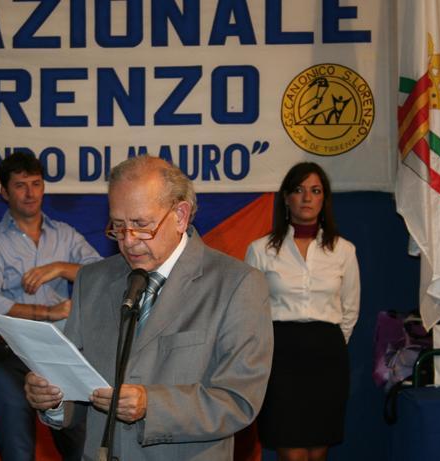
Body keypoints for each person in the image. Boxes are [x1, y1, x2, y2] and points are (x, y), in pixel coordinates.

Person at [24, 155, 273, 460]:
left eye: (141, 225)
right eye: (118, 226)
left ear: (180, 215)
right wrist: (53, 400)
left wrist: (151, 406)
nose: (128, 241)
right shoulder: (92, 280)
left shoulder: (237, 285)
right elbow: (76, 388)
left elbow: (238, 401)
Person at [0, 152, 102, 461]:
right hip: (8, 355)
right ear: (4, 192)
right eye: (20, 185)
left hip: (57, 352)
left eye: (36, 183)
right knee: (17, 452)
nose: (30, 193)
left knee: (81, 449)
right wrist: (47, 313)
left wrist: (60, 267)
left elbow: (101, 274)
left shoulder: (65, 234)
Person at [245, 162, 360, 461]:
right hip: (280, 356)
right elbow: (250, 310)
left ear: (324, 199)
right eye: (299, 190)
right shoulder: (260, 250)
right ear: (286, 198)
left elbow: (350, 309)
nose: (307, 198)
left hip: (327, 356)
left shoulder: (344, 250)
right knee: (291, 452)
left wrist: (329, 341)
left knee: (318, 451)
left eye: (315, 190)